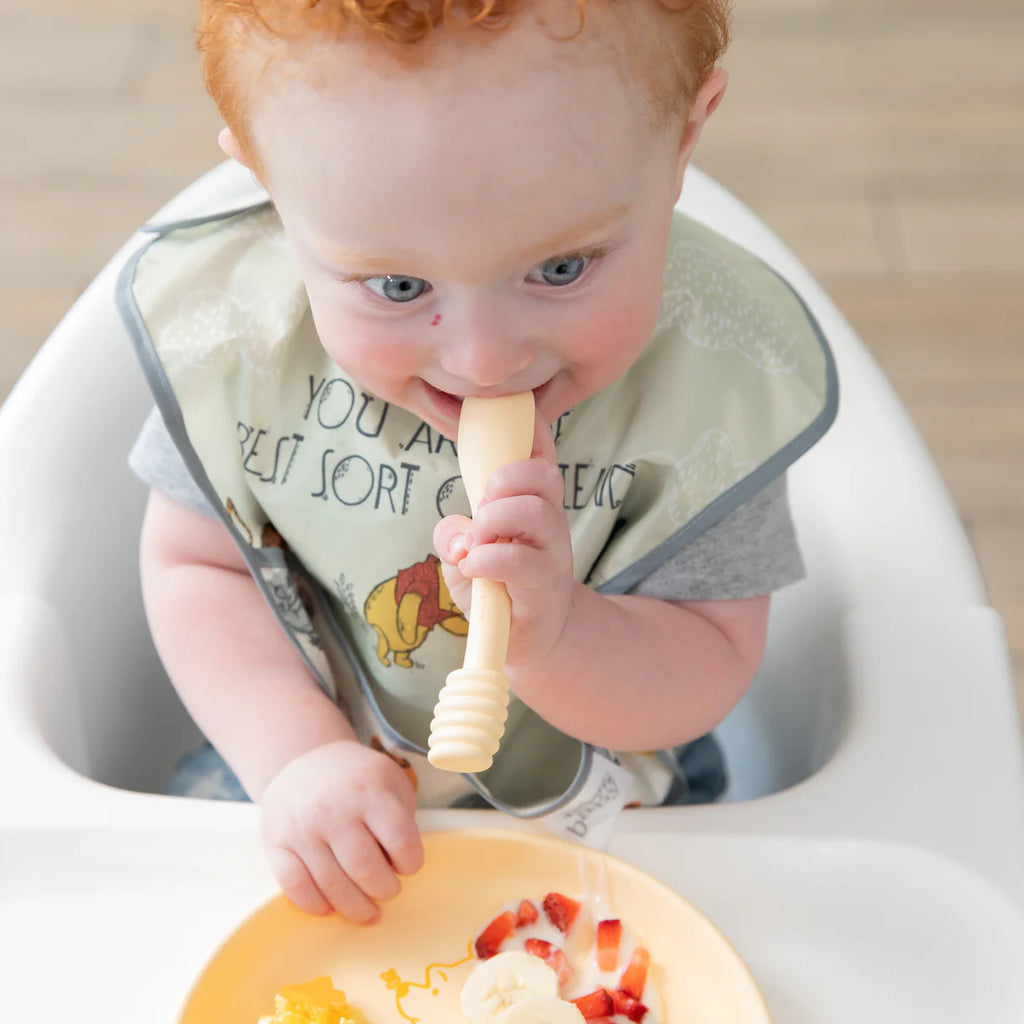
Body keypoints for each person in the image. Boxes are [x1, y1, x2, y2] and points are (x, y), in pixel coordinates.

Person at [122, 0, 836, 926]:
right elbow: (198, 567)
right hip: (313, 765)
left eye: (563, 269)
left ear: (684, 138)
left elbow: (712, 655)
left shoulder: (713, 384)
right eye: (397, 286)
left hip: (601, 803)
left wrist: (561, 638)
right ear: (264, 176)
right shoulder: (243, 346)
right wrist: (294, 756)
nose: (485, 358)